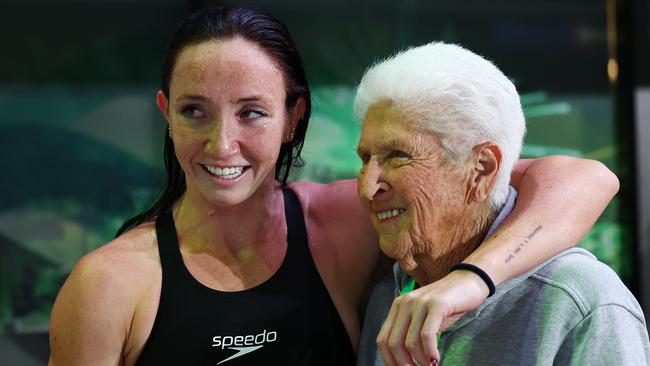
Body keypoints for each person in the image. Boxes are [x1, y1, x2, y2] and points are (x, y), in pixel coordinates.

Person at [48, 7, 619, 366]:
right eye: (195, 111)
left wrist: (471, 282)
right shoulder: (109, 285)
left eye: (252, 113)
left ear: (294, 117)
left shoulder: (344, 223)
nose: (222, 144)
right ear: (165, 113)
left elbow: (584, 177)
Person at [354, 42, 649, 366]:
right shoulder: (390, 296)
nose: (368, 187)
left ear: (481, 170)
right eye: (366, 158)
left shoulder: (575, 299)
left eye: (398, 155)